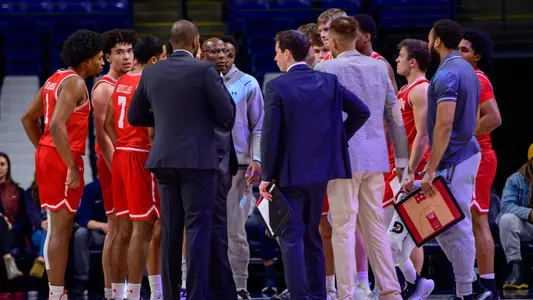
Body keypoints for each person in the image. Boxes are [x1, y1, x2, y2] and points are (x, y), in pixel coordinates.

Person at [127, 20, 235, 300]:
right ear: (196, 42)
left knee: (171, 229)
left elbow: (134, 117)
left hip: (163, 159)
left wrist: (164, 120)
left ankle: (171, 296)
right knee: (198, 229)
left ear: (170, 44)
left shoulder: (151, 73)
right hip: (198, 160)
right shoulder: (204, 70)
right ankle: (197, 294)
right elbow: (227, 115)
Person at [259, 29, 370, 300]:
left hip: (287, 174)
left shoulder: (276, 85)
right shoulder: (329, 82)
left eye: (276, 53)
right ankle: (319, 294)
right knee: (313, 235)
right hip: (321, 172)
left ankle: (299, 296)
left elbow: (271, 134)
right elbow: (361, 112)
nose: (274, 59)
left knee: (290, 238)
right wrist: (337, 138)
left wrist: (266, 175)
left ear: (286, 53)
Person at [315, 16, 408, 300]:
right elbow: (395, 116)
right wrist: (402, 160)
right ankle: (391, 291)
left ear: (331, 41)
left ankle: (346, 294)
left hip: (343, 158)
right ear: (357, 37)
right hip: (376, 157)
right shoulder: (379, 67)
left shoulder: (325, 67)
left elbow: (318, 118)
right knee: (374, 226)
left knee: (342, 226)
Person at [20, 30, 103, 300]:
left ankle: (57, 291)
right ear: (85, 60)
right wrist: (68, 164)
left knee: (59, 227)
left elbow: (27, 119)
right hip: (62, 156)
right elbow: (55, 125)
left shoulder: (53, 78)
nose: (101, 63)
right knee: (60, 229)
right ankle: (56, 293)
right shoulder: (76, 83)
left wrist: (44, 150)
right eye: (99, 58)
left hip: (50, 153)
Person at [422, 19, 482, 299]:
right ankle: (469, 286)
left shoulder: (447, 75)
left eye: (429, 36)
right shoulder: (468, 69)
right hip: (463, 153)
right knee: (447, 227)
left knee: (455, 226)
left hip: (455, 157)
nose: (427, 40)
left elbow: (444, 125)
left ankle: (468, 291)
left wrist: (431, 167)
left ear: (436, 41)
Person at [105, 35, 166, 300]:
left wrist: (124, 144)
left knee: (122, 229)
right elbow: (152, 131)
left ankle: (117, 293)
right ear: (154, 59)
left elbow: (108, 123)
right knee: (144, 229)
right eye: (163, 58)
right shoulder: (149, 81)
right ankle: (133, 294)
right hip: (141, 156)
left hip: (121, 155)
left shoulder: (120, 82)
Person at [217, 33, 264, 300]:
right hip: (205, 168)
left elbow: (258, 126)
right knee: (199, 231)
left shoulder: (248, 83)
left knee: (235, 231)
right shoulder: (199, 82)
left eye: (229, 53)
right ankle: (196, 282)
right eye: (218, 53)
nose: (223, 57)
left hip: (239, 168)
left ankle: (240, 286)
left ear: (235, 56)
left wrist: (257, 159)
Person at [385, 38, 434, 298]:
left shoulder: (421, 90)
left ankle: (415, 283)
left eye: (400, 56)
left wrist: (411, 171)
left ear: (412, 62)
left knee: (393, 240)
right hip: (396, 171)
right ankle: (414, 283)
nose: (397, 60)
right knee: (387, 238)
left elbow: (423, 136)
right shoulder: (405, 90)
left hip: (411, 176)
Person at [91, 28, 136, 300]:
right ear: (108, 56)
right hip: (112, 163)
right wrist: (117, 167)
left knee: (132, 228)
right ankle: (110, 291)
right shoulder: (104, 87)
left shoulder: (131, 81)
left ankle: (128, 287)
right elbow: (102, 135)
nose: (126, 57)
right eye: (119, 52)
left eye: (129, 51)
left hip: (129, 160)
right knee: (116, 228)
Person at [459, 28, 501, 299]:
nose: (459, 53)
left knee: (479, 221)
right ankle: (471, 285)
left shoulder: (477, 78)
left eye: (465, 50)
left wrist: (463, 134)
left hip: (480, 157)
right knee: (462, 223)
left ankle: (488, 286)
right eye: (458, 48)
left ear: (477, 56)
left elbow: (495, 118)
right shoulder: (463, 77)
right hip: (465, 158)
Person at [497, 143, 533, 290]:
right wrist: (529, 213)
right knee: (506, 219)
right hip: (526, 227)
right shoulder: (515, 179)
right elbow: (506, 206)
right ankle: (516, 270)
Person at [72, 179, 107, 296]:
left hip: (121, 231)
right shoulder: (90, 189)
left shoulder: (125, 186)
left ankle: (140, 282)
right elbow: (83, 218)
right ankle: (82, 281)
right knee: (81, 234)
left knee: (138, 233)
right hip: (98, 232)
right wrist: (103, 226)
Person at [353, 14, 398, 92]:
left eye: (352, 34)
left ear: (366, 37)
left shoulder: (381, 65)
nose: (348, 38)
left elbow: (392, 102)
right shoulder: (347, 60)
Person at [0, 152, 25, 280]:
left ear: (8, 167)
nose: (0, 167)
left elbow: (23, 219)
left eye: (2, 164)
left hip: (13, 233)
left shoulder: (18, 192)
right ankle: (8, 257)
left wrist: (11, 226)